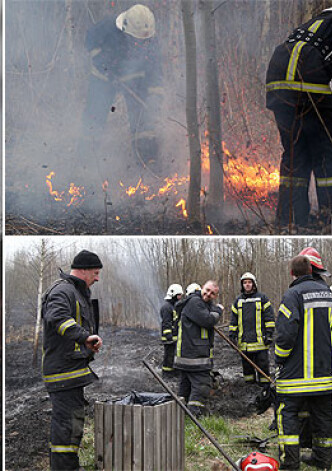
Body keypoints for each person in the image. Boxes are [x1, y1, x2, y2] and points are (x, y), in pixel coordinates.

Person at [266, 7, 332, 227]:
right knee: (326, 154)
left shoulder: (317, 23)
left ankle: (290, 220)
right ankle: (328, 218)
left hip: (277, 76)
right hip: (310, 79)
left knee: (295, 153)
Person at [80, 4, 163, 172]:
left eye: (144, 41)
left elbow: (155, 71)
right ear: (126, 30)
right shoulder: (106, 29)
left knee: (143, 119)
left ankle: (147, 162)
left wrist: (155, 96)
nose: (141, 44)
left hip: (135, 80)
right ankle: (85, 162)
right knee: (94, 117)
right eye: (137, 40)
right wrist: (105, 65)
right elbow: (90, 43)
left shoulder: (151, 42)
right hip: (103, 79)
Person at [41, 249, 103, 471]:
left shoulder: (77, 293)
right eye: (95, 273)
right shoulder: (63, 291)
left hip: (72, 372)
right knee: (67, 426)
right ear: (84, 270)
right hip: (62, 373)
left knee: (72, 423)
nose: (97, 278)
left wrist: (86, 342)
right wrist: (85, 337)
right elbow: (58, 318)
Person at [274, 248, 332, 469]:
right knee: (323, 417)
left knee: (287, 415)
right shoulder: (328, 294)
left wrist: (280, 359)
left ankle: (291, 463)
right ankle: (323, 460)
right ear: (311, 270)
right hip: (324, 375)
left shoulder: (292, 295)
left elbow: (285, 334)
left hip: (295, 377)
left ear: (292, 273)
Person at [173, 280, 222, 417]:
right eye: (207, 290)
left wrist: (213, 309)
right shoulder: (195, 302)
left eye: (212, 293)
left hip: (189, 356)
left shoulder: (201, 304)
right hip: (194, 357)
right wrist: (218, 310)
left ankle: (180, 417)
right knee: (201, 387)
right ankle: (194, 417)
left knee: (185, 388)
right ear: (202, 288)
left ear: (215, 296)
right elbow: (208, 320)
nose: (208, 294)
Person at [229, 272, 275, 386]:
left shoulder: (262, 298)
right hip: (244, 344)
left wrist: (269, 334)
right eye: (245, 283)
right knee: (247, 370)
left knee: (263, 368)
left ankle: (265, 390)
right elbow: (234, 321)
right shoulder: (237, 301)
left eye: (249, 282)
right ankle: (249, 390)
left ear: (254, 284)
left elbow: (269, 317)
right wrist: (232, 335)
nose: (247, 285)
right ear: (242, 285)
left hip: (261, 343)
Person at [160, 283, 183, 375]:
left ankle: (174, 371)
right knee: (169, 357)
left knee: (173, 356)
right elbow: (166, 323)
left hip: (174, 338)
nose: (180, 297)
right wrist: (168, 335)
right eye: (178, 295)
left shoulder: (173, 306)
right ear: (173, 294)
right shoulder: (166, 307)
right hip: (168, 339)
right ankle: (167, 373)